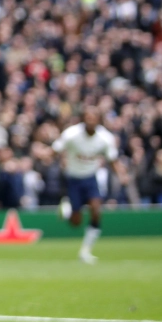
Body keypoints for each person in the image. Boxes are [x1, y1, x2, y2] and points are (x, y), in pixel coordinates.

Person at [52, 108, 118, 264]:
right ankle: (67, 211)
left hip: (90, 178)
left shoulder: (105, 138)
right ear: (83, 119)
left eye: (93, 117)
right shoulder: (72, 134)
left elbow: (112, 158)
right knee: (76, 222)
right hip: (73, 178)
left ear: (99, 120)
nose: (90, 120)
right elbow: (56, 149)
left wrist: (121, 175)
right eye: (87, 117)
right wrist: (46, 154)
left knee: (96, 209)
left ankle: (86, 251)